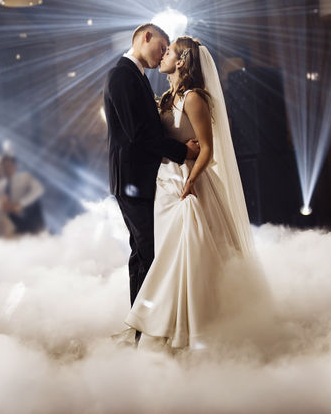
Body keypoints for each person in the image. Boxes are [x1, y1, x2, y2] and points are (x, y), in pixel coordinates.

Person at [125, 37, 258, 350]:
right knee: (164, 254)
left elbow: (208, 149)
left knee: (188, 253)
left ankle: (194, 327)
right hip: (163, 182)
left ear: (182, 61)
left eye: (169, 52)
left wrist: (191, 182)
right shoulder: (168, 97)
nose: (163, 55)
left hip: (187, 182)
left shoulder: (195, 97)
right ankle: (166, 323)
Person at [103, 23, 200, 313]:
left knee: (144, 253)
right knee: (148, 252)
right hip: (132, 180)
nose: (162, 55)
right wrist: (184, 151)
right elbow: (140, 134)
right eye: (162, 47)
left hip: (139, 178)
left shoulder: (136, 76)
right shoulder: (122, 75)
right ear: (146, 37)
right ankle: (146, 327)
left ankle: (142, 322)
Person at [0, 152, 44, 235]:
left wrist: (20, 204)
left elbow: (39, 189)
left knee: (35, 201)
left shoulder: (25, 177)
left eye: (8, 165)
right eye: (2, 166)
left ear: (15, 166)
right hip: (11, 222)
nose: (6, 168)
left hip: (29, 216)